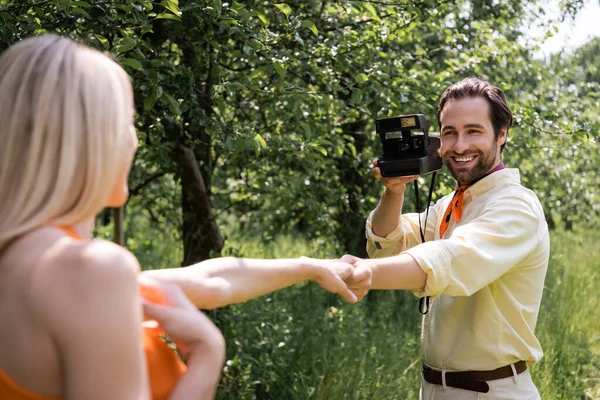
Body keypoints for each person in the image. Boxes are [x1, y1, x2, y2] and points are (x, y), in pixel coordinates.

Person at [0, 34, 358, 400]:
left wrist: (310, 266)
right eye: (127, 122)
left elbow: (213, 281)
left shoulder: (37, 266)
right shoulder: (91, 271)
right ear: (89, 140)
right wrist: (206, 357)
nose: (133, 141)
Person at [343, 77, 550, 399]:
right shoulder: (451, 204)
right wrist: (394, 190)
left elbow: (450, 258)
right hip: (435, 389)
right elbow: (388, 247)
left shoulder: (515, 206)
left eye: (474, 131)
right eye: (449, 133)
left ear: (503, 134)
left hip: (491, 391)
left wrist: (358, 274)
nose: (459, 145)